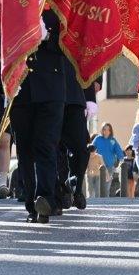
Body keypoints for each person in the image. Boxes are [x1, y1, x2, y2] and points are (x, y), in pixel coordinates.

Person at [11, 0, 66, 224]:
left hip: (50, 90)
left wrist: (49, 36)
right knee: (25, 149)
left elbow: (68, 46)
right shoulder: (11, 12)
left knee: (45, 145)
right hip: (21, 89)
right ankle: (31, 202)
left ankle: (45, 198)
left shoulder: (54, 12)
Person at [56, 56, 90, 210]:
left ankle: (77, 186)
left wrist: (91, 97)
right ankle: (61, 188)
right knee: (55, 147)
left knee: (81, 147)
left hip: (75, 94)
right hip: (51, 92)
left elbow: (91, 53)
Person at [92, 123, 124, 197]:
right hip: (98, 166)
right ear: (102, 130)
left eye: (108, 130)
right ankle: (97, 202)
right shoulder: (98, 139)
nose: (106, 131)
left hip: (109, 167)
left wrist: (122, 159)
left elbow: (118, 150)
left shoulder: (113, 140)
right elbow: (91, 148)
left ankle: (105, 202)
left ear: (110, 131)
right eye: (104, 129)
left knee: (107, 187)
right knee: (97, 186)